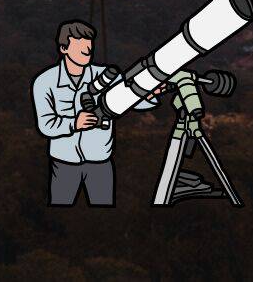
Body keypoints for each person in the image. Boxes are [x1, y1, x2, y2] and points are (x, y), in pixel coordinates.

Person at [31, 19, 162, 206]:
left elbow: (134, 102)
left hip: (100, 162)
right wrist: (74, 123)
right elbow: (46, 125)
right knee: (61, 209)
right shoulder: (45, 82)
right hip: (64, 163)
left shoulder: (106, 76)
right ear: (64, 48)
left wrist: (150, 92)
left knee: (104, 214)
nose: (87, 49)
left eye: (89, 45)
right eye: (80, 45)